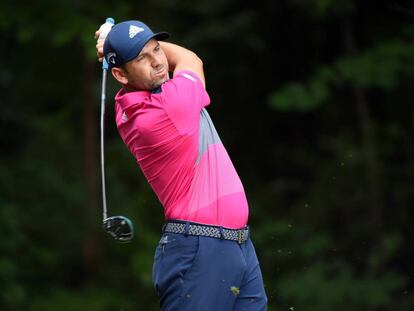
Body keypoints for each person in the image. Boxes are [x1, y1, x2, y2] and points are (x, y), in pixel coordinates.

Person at [95, 20, 267, 311]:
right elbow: (190, 59)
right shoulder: (167, 107)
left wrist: (119, 42)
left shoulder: (133, 104)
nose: (157, 62)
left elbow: (166, 63)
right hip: (200, 250)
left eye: (156, 49)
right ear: (120, 74)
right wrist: (113, 37)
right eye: (142, 58)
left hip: (235, 246)